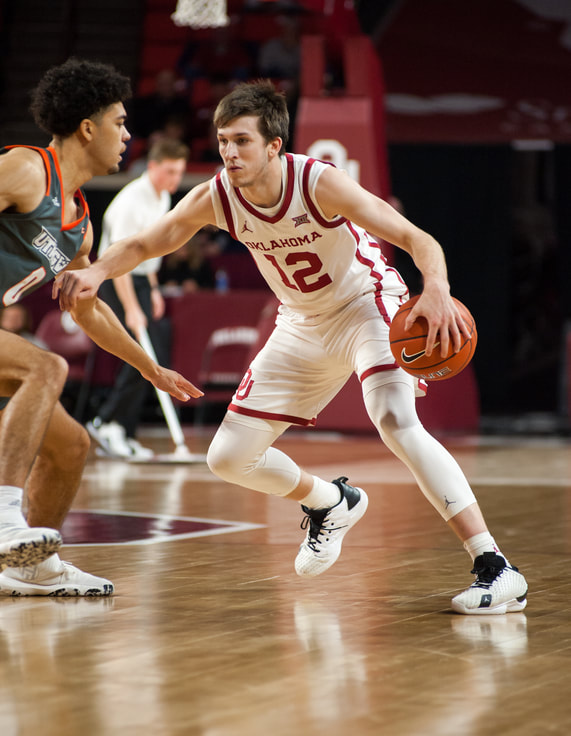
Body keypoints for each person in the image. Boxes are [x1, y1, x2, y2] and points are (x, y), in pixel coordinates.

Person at [55, 80, 528, 615]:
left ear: (274, 146)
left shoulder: (318, 182)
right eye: (223, 141)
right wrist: (96, 272)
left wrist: (436, 288)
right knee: (228, 458)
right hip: (300, 323)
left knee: (395, 419)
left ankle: (495, 566)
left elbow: (418, 239)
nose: (229, 152)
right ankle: (331, 502)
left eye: (242, 141)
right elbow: (146, 242)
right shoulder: (217, 195)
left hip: (365, 305)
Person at [0, 57, 202, 597]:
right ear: (88, 128)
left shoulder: (80, 228)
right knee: (47, 366)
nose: (128, 134)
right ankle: (4, 519)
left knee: (71, 447)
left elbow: (89, 310)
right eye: (120, 121)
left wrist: (151, 369)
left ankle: (30, 567)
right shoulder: (26, 170)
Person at [87, 138, 190, 459]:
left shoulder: (163, 197)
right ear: (153, 166)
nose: (175, 179)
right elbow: (119, 260)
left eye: (180, 172)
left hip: (143, 280)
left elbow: (151, 249)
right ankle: (107, 422)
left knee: (153, 353)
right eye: (170, 171)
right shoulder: (131, 201)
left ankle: (125, 432)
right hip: (117, 280)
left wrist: (154, 289)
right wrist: (131, 309)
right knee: (142, 355)